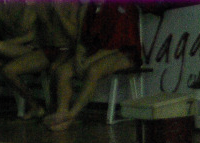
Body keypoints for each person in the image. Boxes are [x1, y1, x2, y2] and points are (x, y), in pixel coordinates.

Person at [43, 1, 140, 132]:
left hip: (123, 52)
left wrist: (89, 61)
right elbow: (83, 39)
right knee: (63, 71)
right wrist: (79, 56)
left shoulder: (121, 6)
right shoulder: (91, 8)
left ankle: (71, 115)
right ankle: (62, 111)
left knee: (93, 70)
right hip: (95, 51)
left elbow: (117, 45)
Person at [0, 1, 47, 120]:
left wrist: (6, 44)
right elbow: (7, 33)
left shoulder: (31, 5)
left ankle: (35, 106)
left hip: (34, 49)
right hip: (13, 48)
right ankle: (34, 106)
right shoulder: (3, 7)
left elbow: (30, 35)